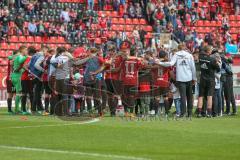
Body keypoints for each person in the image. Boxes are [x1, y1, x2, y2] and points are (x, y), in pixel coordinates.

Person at [155, 44, 196, 118]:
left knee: (182, 96)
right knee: (189, 96)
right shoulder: (189, 55)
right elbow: (193, 67)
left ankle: (183, 113)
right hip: (189, 78)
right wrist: (194, 78)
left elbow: (170, 64)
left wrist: (159, 63)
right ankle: (189, 113)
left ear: (178, 48)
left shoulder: (176, 55)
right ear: (185, 48)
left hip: (180, 78)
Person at [197, 46, 221, 118]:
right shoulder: (212, 59)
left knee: (200, 96)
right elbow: (218, 69)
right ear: (209, 51)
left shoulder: (201, 57)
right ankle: (209, 113)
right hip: (210, 79)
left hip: (202, 79)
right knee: (209, 96)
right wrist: (217, 62)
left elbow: (200, 53)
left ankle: (199, 113)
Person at [11, 46, 28, 114]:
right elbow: (21, 61)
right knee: (18, 93)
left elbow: (19, 66)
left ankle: (17, 109)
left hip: (15, 76)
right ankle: (16, 110)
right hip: (17, 77)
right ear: (22, 50)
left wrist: (24, 69)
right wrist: (27, 57)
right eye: (26, 50)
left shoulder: (17, 56)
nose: (26, 51)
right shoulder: (20, 56)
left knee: (18, 93)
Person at [20, 46, 35, 115]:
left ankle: (30, 110)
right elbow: (24, 66)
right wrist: (30, 71)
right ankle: (24, 110)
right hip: (25, 78)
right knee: (25, 94)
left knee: (30, 94)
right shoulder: (29, 58)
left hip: (28, 78)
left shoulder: (30, 58)